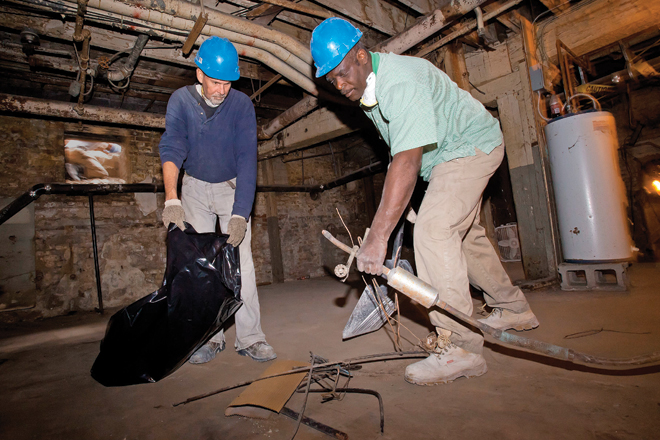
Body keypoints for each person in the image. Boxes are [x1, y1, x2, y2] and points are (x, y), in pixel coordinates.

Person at [310, 18, 539, 385]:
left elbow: (407, 160)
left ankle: (460, 347)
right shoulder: (372, 93)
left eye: (341, 73)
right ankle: (513, 308)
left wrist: (380, 235)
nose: (339, 85)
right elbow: (403, 150)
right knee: (463, 235)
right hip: (450, 157)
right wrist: (400, 205)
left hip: (469, 147)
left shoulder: (398, 81)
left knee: (433, 230)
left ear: (362, 56)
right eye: (330, 80)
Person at [158, 36, 276, 364]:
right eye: (214, 82)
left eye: (227, 83)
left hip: (230, 186)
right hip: (193, 188)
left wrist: (241, 212)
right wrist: (172, 198)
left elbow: (246, 159)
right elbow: (172, 148)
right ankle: (209, 338)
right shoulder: (180, 101)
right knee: (201, 266)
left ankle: (250, 338)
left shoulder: (240, 106)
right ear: (199, 74)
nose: (221, 90)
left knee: (243, 263)